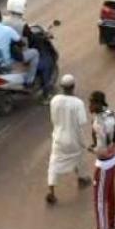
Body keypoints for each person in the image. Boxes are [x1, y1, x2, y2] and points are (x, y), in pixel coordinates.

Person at [46, 74, 90, 205]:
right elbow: (82, 122)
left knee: (53, 164)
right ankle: (82, 178)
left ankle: (51, 192)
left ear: (61, 87)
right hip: (74, 138)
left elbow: (53, 119)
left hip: (59, 137)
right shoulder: (78, 103)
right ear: (73, 87)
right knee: (80, 156)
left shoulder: (54, 100)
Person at [87, 90, 115, 229]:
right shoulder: (111, 113)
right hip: (114, 159)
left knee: (99, 201)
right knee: (111, 195)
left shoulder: (99, 123)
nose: (89, 106)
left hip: (104, 164)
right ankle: (111, 228)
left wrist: (91, 149)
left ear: (98, 104)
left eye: (91, 102)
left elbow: (101, 150)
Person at [0, 8, 40, 90]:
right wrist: (20, 44)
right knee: (35, 52)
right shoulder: (7, 29)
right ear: (1, 18)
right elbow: (20, 42)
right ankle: (29, 81)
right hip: (7, 62)